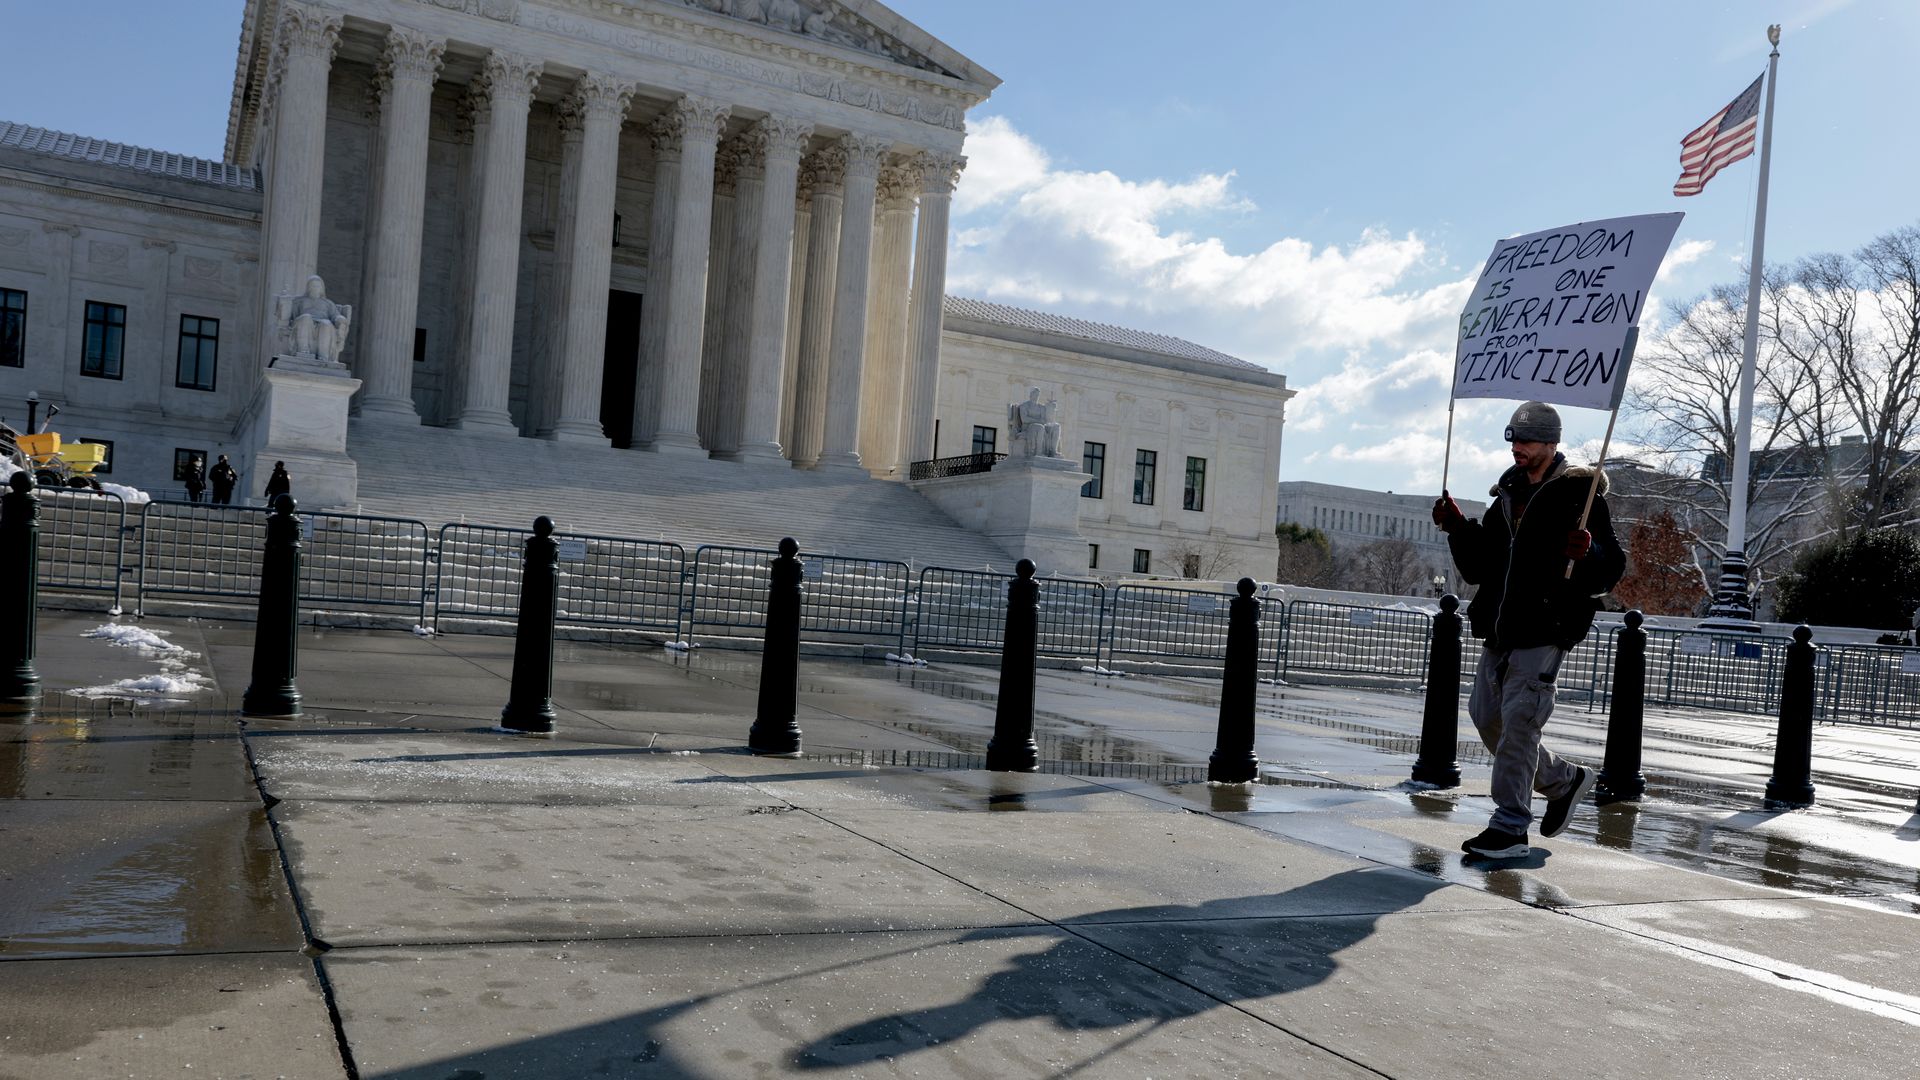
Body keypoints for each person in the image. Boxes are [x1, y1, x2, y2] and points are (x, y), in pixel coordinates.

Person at [1431, 401, 1626, 859]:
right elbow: (1481, 567)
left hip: (1547, 625)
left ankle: (1510, 827)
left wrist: (1589, 553)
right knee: (1488, 718)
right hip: (1502, 626)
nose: (1517, 447)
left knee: (1520, 722)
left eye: (1526, 440)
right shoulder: (1507, 496)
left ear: (1551, 444)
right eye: (1513, 439)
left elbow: (1610, 569)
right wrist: (1458, 528)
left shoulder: (1582, 496)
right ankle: (1563, 781)